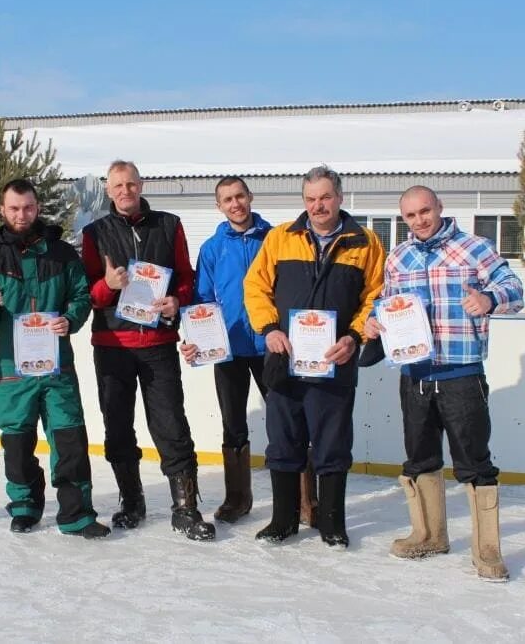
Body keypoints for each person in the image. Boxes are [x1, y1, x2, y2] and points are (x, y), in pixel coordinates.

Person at [362, 185, 523, 581]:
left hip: (461, 373)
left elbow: (515, 289)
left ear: (439, 208)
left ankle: (487, 551)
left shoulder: (475, 248)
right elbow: (386, 304)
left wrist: (488, 299)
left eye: (425, 211)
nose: (420, 220)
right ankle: (429, 535)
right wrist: (373, 322)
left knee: (474, 463)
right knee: (420, 458)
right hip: (414, 375)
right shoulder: (398, 257)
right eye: (411, 216)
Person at [244, 165, 385, 546]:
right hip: (284, 361)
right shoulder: (280, 238)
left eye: (325, 197)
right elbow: (255, 287)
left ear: (339, 197)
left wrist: (354, 336)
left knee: (332, 445)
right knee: (283, 443)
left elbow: (375, 297)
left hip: (335, 361)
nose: (318, 206)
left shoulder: (366, 242)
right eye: (310, 199)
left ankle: (332, 522)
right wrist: (269, 328)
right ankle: (283, 520)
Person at [0, 179, 110, 539]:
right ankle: (26, 505)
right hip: (11, 371)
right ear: (2, 209)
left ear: (37, 207)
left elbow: (80, 296)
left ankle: (76, 514)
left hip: (56, 368)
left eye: (28, 207)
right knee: (17, 445)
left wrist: (70, 318)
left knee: (70, 441)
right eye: (14, 208)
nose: (21, 214)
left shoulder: (61, 254)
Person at [81, 160, 215, 541]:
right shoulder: (95, 233)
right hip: (113, 345)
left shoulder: (168, 225)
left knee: (172, 424)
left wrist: (176, 300)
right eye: (118, 185)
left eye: (132, 184)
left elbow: (186, 276)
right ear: (108, 190)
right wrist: (107, 285)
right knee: (118, 427)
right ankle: (131, 501)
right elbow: (88, 292)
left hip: (158, 344)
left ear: (142, 186)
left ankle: (186, 508)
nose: (126, 191)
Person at [180, 176, 319, 526]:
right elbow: (203, 301)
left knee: (290, 423)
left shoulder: (276, 239)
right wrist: (196, 337)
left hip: (272, 346)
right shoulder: (212, 248)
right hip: (226, 351)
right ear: (219, 206)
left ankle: (305, 500)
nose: (235, 203)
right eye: (227, 199)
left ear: (250, 197)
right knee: (233, 426)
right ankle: (238, 498)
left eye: (239, 196)